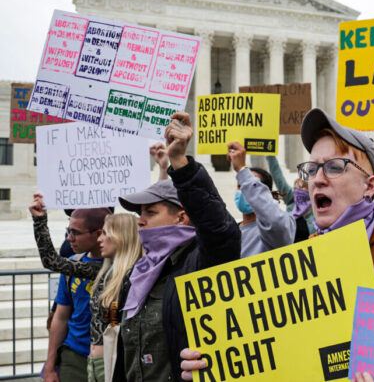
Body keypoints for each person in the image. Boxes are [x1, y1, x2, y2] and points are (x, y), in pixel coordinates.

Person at [180, 108, 374, 382]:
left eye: (335, 167)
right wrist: (219, 364)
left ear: (369, 185)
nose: (317, 179)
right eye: (311, 168)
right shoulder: (299, 261)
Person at [115, 112, 241, 382]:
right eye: (139, 214)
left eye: (150, 212)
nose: (140, 221)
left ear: (181, 216)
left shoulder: (200, 262)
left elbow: (220, 231)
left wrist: (180, 164)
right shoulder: (138, 274)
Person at [29, 199, 141, 382]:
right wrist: (40, 221)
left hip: (114, 362)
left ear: (121, 237)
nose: (100, 239)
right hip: (90, 361)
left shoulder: (136, 277)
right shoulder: (99, 270)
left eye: (105, 233)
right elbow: (52, 261)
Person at [35, 208, 109, 382]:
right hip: (74, 357)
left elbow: (51, 260)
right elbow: (61, 317)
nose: (69, 238)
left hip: (111, 356)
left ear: (99, 234)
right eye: (69, 231)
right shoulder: (74, 265)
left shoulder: (123, 269)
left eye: (75, 233)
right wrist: (50, 367)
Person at [228, 141, 295, 256]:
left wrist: (242, 170)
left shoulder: (278, 228)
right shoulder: (229, 232)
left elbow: (275, 223)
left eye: (251, 185)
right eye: (240, 186)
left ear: (266, 193)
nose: (245, 190)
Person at [266, 154, 315, 236]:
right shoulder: (291, 198)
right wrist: (270, 154)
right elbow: (277, 176)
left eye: (302, 187)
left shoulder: (318, 209)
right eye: (296, 187)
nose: (298, 190)